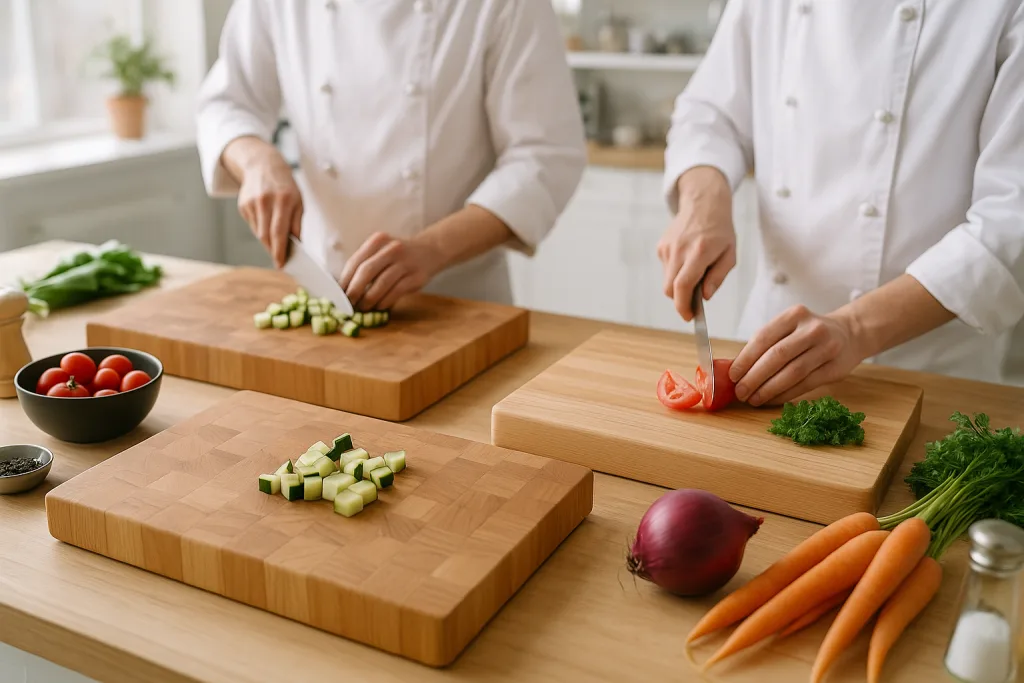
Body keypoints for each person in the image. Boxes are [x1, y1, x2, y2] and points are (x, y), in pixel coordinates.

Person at [659, 0, 1024, 405]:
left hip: (928, 375)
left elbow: (1009, 224)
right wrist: (702, 201)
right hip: (766, 356)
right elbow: (710, 112)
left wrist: (854, 330)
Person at [196, 0, 586, 311]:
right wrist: (257, 161)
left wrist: (433, 248)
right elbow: (227, 103)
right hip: (323, 288)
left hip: (457, 304)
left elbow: (544, 155)